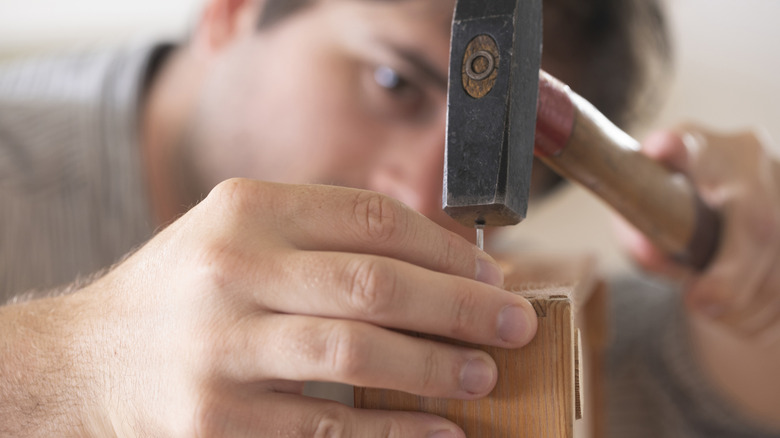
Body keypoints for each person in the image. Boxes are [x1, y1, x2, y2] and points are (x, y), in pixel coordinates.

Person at [0, 0, 778, 436]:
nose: (419, 195)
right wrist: (70, 370)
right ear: (234, 10)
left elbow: (687, 379)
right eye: (392, 82)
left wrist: (754, 293)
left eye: (519, 160)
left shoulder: (483, 295)